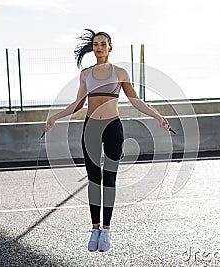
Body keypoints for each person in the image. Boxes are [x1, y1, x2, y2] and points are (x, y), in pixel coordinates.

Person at [44, 29, 171, 252]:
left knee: (109, 179)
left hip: (113, 127)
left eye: (103, 44)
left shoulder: (120, 72)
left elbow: (136, 101)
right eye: (95, 44)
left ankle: (107, 229)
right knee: (94, 179)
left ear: (110, 47)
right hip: (91, 127)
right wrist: (54, 117)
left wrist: (158, 116)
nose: (99, 47)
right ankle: (94, 230)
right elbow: (77, 104)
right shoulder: (85, 74)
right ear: (92, 48)